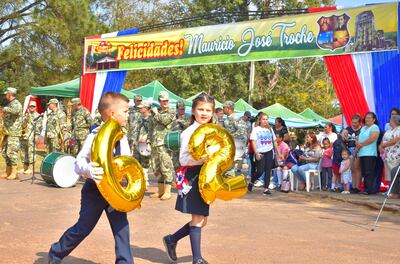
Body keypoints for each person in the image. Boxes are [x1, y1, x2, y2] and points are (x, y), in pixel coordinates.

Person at [48, 92, 134, 264]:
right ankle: (56, 252)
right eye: (125, 111)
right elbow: (78, 161)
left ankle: (125, 262)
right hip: (94, 191)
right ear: (112, 114)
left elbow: (125, 160)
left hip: (115, 190)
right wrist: (87, 170)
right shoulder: (94, 135)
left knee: (121, 228)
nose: (127, 115)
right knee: (83, 228)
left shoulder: (121, 137)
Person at [162, 93, 215, 264]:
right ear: (193, 111)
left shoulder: (211, 131)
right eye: (201, 109)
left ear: (213, 112)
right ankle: (197, 259)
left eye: (208, 110)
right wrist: (204, 157)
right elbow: (184, 159)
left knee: (202, 220)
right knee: (198, 219)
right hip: (191, 176)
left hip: (205, 176)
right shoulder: (189, 132)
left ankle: (172, 239)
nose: (204, 113)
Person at [148, 91, 176, 200]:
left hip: (164, 143)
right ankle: (160, 190)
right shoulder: (155, 112)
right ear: (159, 101)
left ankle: (167, 191)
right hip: (155, 143)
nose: (165, 103)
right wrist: (149, 141)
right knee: (156, 167)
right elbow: (151, 127)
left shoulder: (171, 112)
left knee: (166, 166)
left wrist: (156, 113)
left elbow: (165, 121)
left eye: (167, 101)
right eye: (163, 101)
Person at [247, 113, 279, 195]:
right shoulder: (256, 129)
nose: (265, 121)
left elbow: (274, 141)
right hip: (260, 152)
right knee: (260, 171)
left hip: (269, 151)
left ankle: (266, 188)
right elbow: (253, 142)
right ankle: (251, 182)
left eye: (266, 119)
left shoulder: (270, 129)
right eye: (263, 119)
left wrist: (278, 153)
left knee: (268, 171)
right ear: (260, 120)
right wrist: (256, 153)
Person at [355, 112, 380, 195]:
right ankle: (366, 189)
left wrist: (361, 144)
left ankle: (368, 189)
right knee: (364, 172)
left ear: (374, 119)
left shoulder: (374, 127)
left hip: (370, 153)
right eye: (366, 117)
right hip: (362, 153)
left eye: (369, 117)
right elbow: (359, 138)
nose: (367, 119)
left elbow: (372, 139)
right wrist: (357, 146)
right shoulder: (363, 128)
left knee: (369, 172)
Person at [0, 87, 22, 180]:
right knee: (5, 152)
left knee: (12, 152)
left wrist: (5, 109)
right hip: (7, 132)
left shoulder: (16, 103)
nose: (5, 95)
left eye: (6, 94)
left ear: (10, 94)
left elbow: (16, 111)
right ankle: (8, 171)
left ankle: (14, 172)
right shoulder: (10, 104)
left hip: (14, 132)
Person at [222, 100, 247, 176]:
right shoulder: (227, 119)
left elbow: (242, 131)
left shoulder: (236, 118)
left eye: (224, 107)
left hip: (236, 146)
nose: (223, 109)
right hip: (229, 146)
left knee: (231, 169)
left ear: (228, 108)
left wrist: (231, 137)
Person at [19, 101, 41, 175]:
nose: (31, 107)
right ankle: (24, 167)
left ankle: (30, 168)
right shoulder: (25, 115)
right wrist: (26, 117)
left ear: (35, 107)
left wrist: (37, 135)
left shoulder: (38, 116)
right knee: (23, 151)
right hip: (24, 135)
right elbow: (22, 124)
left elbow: (39, 127)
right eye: (30, 106)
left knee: (31, 151)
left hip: (32, 135)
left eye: (33, 106)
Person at [379, 114, 400, 190]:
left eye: (390, 119)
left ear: (394, 121)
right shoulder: (388, 130)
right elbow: (383, 139)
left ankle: (394, 192)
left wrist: (383, 145)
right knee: (388, 175)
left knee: (394, 174)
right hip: (387, 156)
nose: (389, 121)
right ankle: (390, 190)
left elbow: (395, 140)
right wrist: (380, 146)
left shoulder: (399, 129)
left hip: (395, 155)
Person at [136, 101, 153, 188]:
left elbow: (152, 131)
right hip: (138, 143)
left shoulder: (151, 119)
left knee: (145, 163)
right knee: (137, 162)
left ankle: (145, 182)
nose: (139, 108)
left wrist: (146, 137)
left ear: (146, 108)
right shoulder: (140, 118)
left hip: (146, 144)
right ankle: (140, 181)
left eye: (141, 107)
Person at [172, 100, 191, 170]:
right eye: (181, 109)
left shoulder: (188, 116)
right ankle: (178, 175)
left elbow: (189, 125)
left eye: (183, 109)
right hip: (174, 141)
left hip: (184, 142)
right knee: (175, 161)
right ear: (177, 109)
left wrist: (180, 121)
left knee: (184, 159)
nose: (182, 110)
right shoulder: (173, 117)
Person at [346, 114, 362, 193]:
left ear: (359, 123)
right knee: (352, 169)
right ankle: (354, 186)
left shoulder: (362, 129)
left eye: (356, 123)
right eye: (352, 122)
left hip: (358, 150)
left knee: (357, 168)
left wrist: (357, 149)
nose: (354, 124)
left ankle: (358, 187)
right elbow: (342, 136)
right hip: (349, 150)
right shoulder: (348, 129)